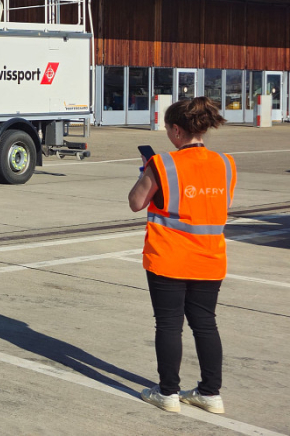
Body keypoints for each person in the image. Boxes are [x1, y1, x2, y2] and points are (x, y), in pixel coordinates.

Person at [128, 97, 236, 415]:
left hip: (169, 257)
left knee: (169, 324)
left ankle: (168, 393)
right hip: (210, 258)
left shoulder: (162, 164)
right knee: (205, 324)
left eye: (167, 130)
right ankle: (210, 394)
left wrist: (145, 176)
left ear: (177, 130)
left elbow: (136, 202)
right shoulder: (226, 164)